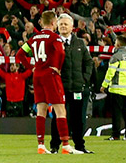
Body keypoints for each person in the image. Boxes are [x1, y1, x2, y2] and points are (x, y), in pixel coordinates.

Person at [22, 10, 74, 154]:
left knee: (41, 110)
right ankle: (65, 145)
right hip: (50, 75)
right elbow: (61, 52)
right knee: (60, 110)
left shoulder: (34, 38)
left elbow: (20, 54)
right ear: (53, 23)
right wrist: (57, 67)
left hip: (37, 75)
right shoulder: (55, 38)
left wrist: (31, 68)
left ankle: (40, 145)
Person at [51, 15, 91, 153]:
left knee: (77, 118)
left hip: (76, 87)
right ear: (57, 26)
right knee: (58, 117)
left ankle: (80, 146)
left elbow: (89, 62)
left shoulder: (80, 43)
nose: (63, 26)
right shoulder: (53, 42)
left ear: (72, 27)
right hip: (59, 87)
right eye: (61, 24)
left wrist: (84, 79)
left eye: (65, 24)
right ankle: (54, 146)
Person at [100, 34, 126, 141]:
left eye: (115, 42)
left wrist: (104, 85)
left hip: (117, 89)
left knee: (116, 114)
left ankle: (115, 135)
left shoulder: (116, 57)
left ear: (118, 44)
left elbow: (110, 72)